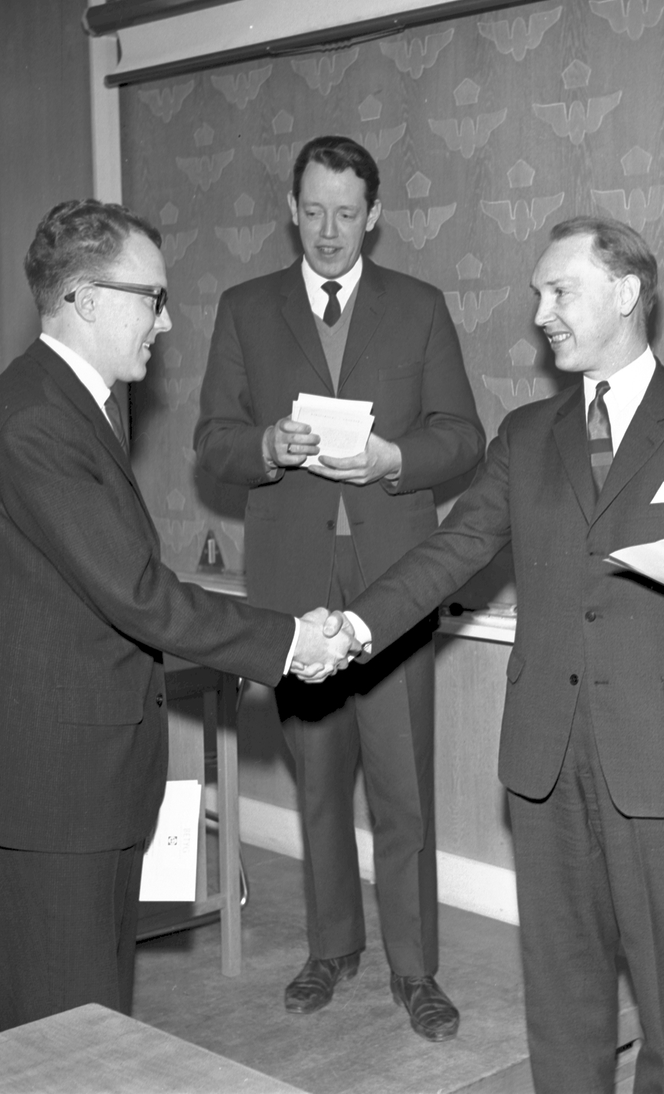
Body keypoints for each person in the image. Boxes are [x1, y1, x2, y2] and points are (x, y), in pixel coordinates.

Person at [329, 216, 664, 1091]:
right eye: (538, 294)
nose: (540, 313)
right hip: (545, 754)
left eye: (559, 291)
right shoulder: (527, 433)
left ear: (626, 293)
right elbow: (453, 550)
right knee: (562, 987)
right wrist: (354, 628)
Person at [0, 199, 356, 1033]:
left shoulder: (67, 405)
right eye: (152, 298)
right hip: (46, 800)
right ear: (86, 298)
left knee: (90, 1031)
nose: (166, 321)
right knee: (62, 1050)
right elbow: (137, 592)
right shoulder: (36, 421)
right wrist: (291, 641)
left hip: (76, 787)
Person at [194, 135, 484, 1040]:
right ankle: (332, 949)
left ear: (375, 216)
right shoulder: (246, 309)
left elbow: (464, 437)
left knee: (403, 789)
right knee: (318, 782)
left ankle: (415, 969)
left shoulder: (419, 307)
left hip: (396, 578)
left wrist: (396, 458)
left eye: (347, 214)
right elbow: (212, 441)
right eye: (314, 211)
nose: (328, 231)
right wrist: (264, 447)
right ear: (292, 209)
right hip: (293, 585)